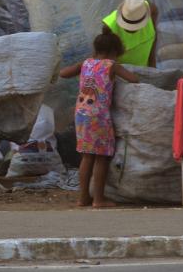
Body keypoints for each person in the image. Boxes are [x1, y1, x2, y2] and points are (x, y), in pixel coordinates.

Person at [59, 32, 139, 208]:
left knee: (86, 157)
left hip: (81, 114)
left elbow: (63, 73)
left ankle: (83, 198)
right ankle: (98, 199)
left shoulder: (86, 63)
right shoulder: (112, 65)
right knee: (101, 158)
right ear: (114, 50)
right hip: (98, 116)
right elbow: (134, 79)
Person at [102, 0, 159, 67]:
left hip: (145, 68)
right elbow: (106, 58)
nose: (132, 30)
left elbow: (154, 36)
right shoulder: (109, 27)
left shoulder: (151, 11)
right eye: (129, 25)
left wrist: (152, 65)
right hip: (122, 72)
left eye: (135, 25)